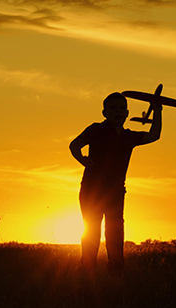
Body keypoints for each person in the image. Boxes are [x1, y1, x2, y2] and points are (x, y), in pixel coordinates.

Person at [70, 92, 162, 274]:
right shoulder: (96, 129)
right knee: (92, 232)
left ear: (127, 113)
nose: (118, 112)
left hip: (116, 192)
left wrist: (157, 110)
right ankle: (87, 270)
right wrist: (82, 159)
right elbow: (74, 145)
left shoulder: (129, 137)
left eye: (121, 108)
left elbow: (154, 135)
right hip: (92, 191)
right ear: (105, 112)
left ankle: (116, 269)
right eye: (113, 109)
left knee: (115, 231)